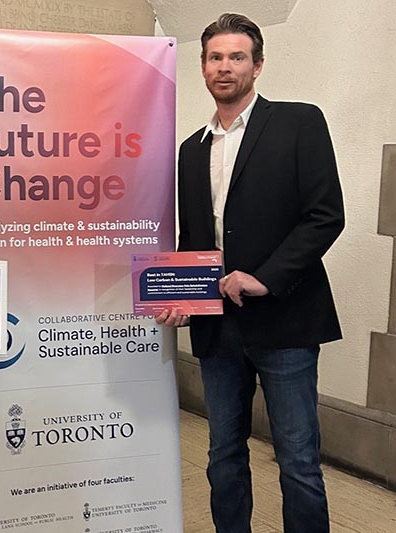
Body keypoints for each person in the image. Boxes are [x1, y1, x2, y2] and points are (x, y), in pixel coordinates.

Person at [156, 13, 344, 533]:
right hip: (217, 328)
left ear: (257, 66)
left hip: (285, 320)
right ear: (202, 67)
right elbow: (195, 238)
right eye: (215, 57)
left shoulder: (299, 123)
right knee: (222, 456)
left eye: (237, 57)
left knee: (298, 461)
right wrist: (179, 294)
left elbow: (325, 216)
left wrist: (264, 277)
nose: (225, 67)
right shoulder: (190, 150)